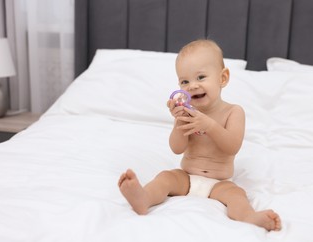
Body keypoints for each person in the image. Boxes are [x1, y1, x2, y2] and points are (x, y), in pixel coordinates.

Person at [118, 39, 281, 231]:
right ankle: (143, 198)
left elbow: (232, 146)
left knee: (237, 196)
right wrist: (179, 121)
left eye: (201, 77)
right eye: (184, 81)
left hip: (219, 183)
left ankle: (249, 216)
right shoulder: (187, 113)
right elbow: (176, 149)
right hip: (186, 177)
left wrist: (209, 125)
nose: (192, 86)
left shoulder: (233, 112)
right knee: (165, 178)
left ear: (223, 78)